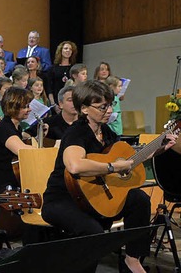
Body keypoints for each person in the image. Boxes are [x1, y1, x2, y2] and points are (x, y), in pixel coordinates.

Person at [42, 80, 177, 273]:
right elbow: (75, 165)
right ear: (85, 109)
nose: (109, 110)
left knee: (139, 200)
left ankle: (132, 259)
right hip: (63, 201)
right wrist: (112, 167)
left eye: (110, 104)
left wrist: (159, 148)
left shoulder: (106, 131)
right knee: (94, 232)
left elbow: (130, 160)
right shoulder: (76, 132)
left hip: (94, 198)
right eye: (102, 106)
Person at [0, 87, 36, 193]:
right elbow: (22, 151)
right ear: (14, 107)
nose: (29, 109)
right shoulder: (5, 127)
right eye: (25, 107)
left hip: (9, 179)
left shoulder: (15, 126)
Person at [47, 41, 77, 110]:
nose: (68, 51)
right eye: (66, 48)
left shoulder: (74, 68)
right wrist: (54, 105)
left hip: (72, 102)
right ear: (61, 50)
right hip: (56, 103)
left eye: (70, 49)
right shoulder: (52, 69)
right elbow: (49, 89)